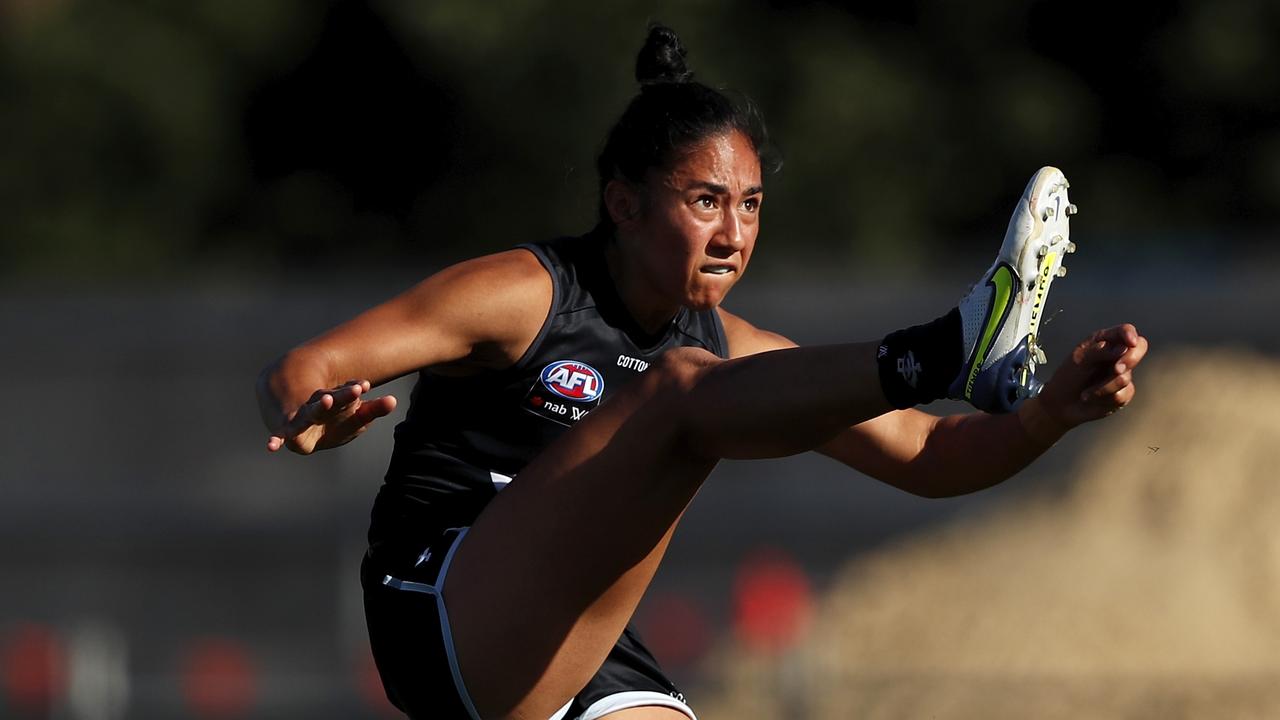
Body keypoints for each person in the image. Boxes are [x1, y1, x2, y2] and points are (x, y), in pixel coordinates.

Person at [256, 25, 1148, 720]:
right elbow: (310, 364)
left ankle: (959, 357)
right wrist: (311, 415)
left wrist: (1049, 418)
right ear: (624, 204)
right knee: (680, 390)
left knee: (691, 384)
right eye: (706, 200)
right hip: (442, 611)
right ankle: (947, 350)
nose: (734, 233)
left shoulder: (728, 352)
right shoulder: (530, 293)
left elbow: (929, 454)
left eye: (751, 204)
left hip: (577, 648)